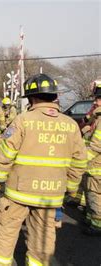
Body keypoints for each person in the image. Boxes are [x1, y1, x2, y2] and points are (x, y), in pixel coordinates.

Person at [0, 74, 87, 265]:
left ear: (32, 98)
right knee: (44, 235)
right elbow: (80, 161)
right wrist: (71, 189)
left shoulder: (23, 120)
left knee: (7, 226)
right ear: (53, 97)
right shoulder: (71, 125)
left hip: (18, 192)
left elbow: (5, 154)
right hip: (51, 194)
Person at [82, 81, 101, 236]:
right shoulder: (97, 116)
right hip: (93, 165)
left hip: (96, 165)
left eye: (98, 98)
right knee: (90, 193)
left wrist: (81, 160)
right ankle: (90, 218)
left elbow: (96, 145)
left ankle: (97, 225)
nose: (95, 101)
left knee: (95, 194)